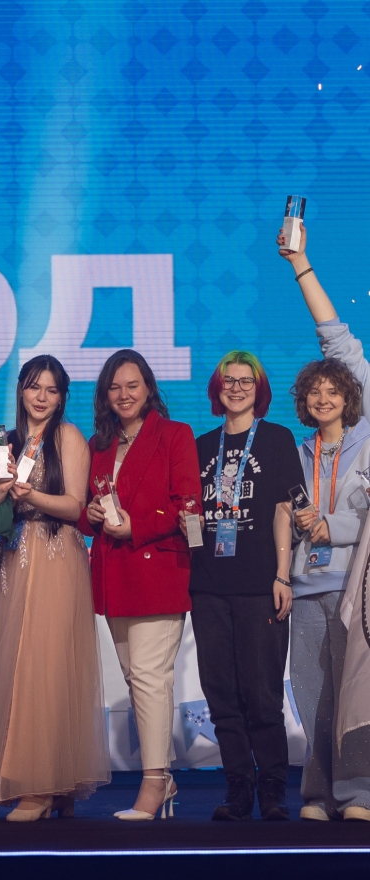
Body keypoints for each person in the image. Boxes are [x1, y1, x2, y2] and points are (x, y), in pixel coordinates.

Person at [0, 355, 109, 820]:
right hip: (11, 556)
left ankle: (41, 786)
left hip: (54, 553)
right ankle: (47, 783)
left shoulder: (67, 437)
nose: (41, 397)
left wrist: (29, 494)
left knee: (46, 667)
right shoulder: (5, 441)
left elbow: (76, 506)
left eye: (52, 390)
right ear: (21, 390)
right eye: (35, 387)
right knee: (12, 667)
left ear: (62, 397)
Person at [82, 349, 199, 820]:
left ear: (149, 388)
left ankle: (154, 781)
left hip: (157, 572)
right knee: (139, 681)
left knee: (150, 679)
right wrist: (92, 514)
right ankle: (162, 776)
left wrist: (139, 527)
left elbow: (189, 504)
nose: (124, 394)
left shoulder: (175, 434)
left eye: (133, 385)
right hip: (114, 575)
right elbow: (90, 512)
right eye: (115, 387)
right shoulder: (99, 444)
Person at [280, 223, 370, 821]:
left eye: (334, 389)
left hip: (355, 584)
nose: (323, 397)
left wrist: (300, 262)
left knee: (355, 693)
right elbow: (285, 517)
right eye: (314, 391)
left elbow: (337, 340)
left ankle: (358, 793)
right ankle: (317, 793)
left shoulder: (366, 437)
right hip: (307, 582)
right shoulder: (298, 451)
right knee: (312, 694)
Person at [187, 352, 300, 821]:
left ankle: (273, 789)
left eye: (245, 381)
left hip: (259, 586)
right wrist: (190, 527)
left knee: (262, 693)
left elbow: (283, 511)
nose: (236, 388)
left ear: (259, 389)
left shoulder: (277, 439)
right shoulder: (199, 445)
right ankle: (238, 787)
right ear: (217, 389)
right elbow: (191, 514)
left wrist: (282, 575)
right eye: (228, 381)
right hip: (208, 587)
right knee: (221, 693)